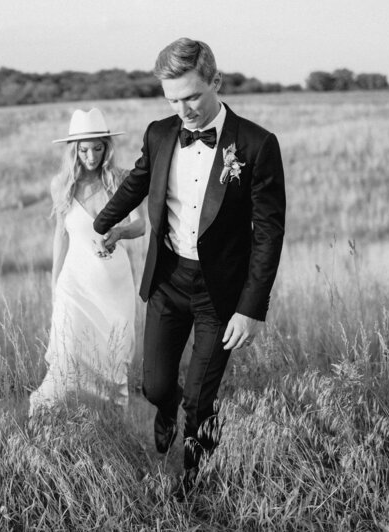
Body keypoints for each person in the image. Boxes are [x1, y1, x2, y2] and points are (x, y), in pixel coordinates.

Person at [93, 38, 286, 490]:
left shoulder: (257, 145)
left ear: (216, 82)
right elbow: (138, 181)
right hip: (169, 280)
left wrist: (252, 306)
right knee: (156, 386)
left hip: (221, 294)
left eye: (192, 96)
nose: (184, 110)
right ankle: (166, 409)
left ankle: (195, 481)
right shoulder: (160, 133)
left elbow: (269, 234)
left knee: (201, 399)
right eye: (173, 100)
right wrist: (103, 222)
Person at [28, 108, 146, 416]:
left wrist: (118, 232)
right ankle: (44, 415)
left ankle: (112, 427)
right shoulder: (61, 184)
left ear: (107, 148)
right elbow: (60, 236)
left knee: (113, 357)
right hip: (75, 284)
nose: (91, 156)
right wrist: (55, 285)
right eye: (84, 149)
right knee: (68, 354)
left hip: (114, 284)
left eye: (97, 148)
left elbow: (140, 225)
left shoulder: (119, 180)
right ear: (74, 151)